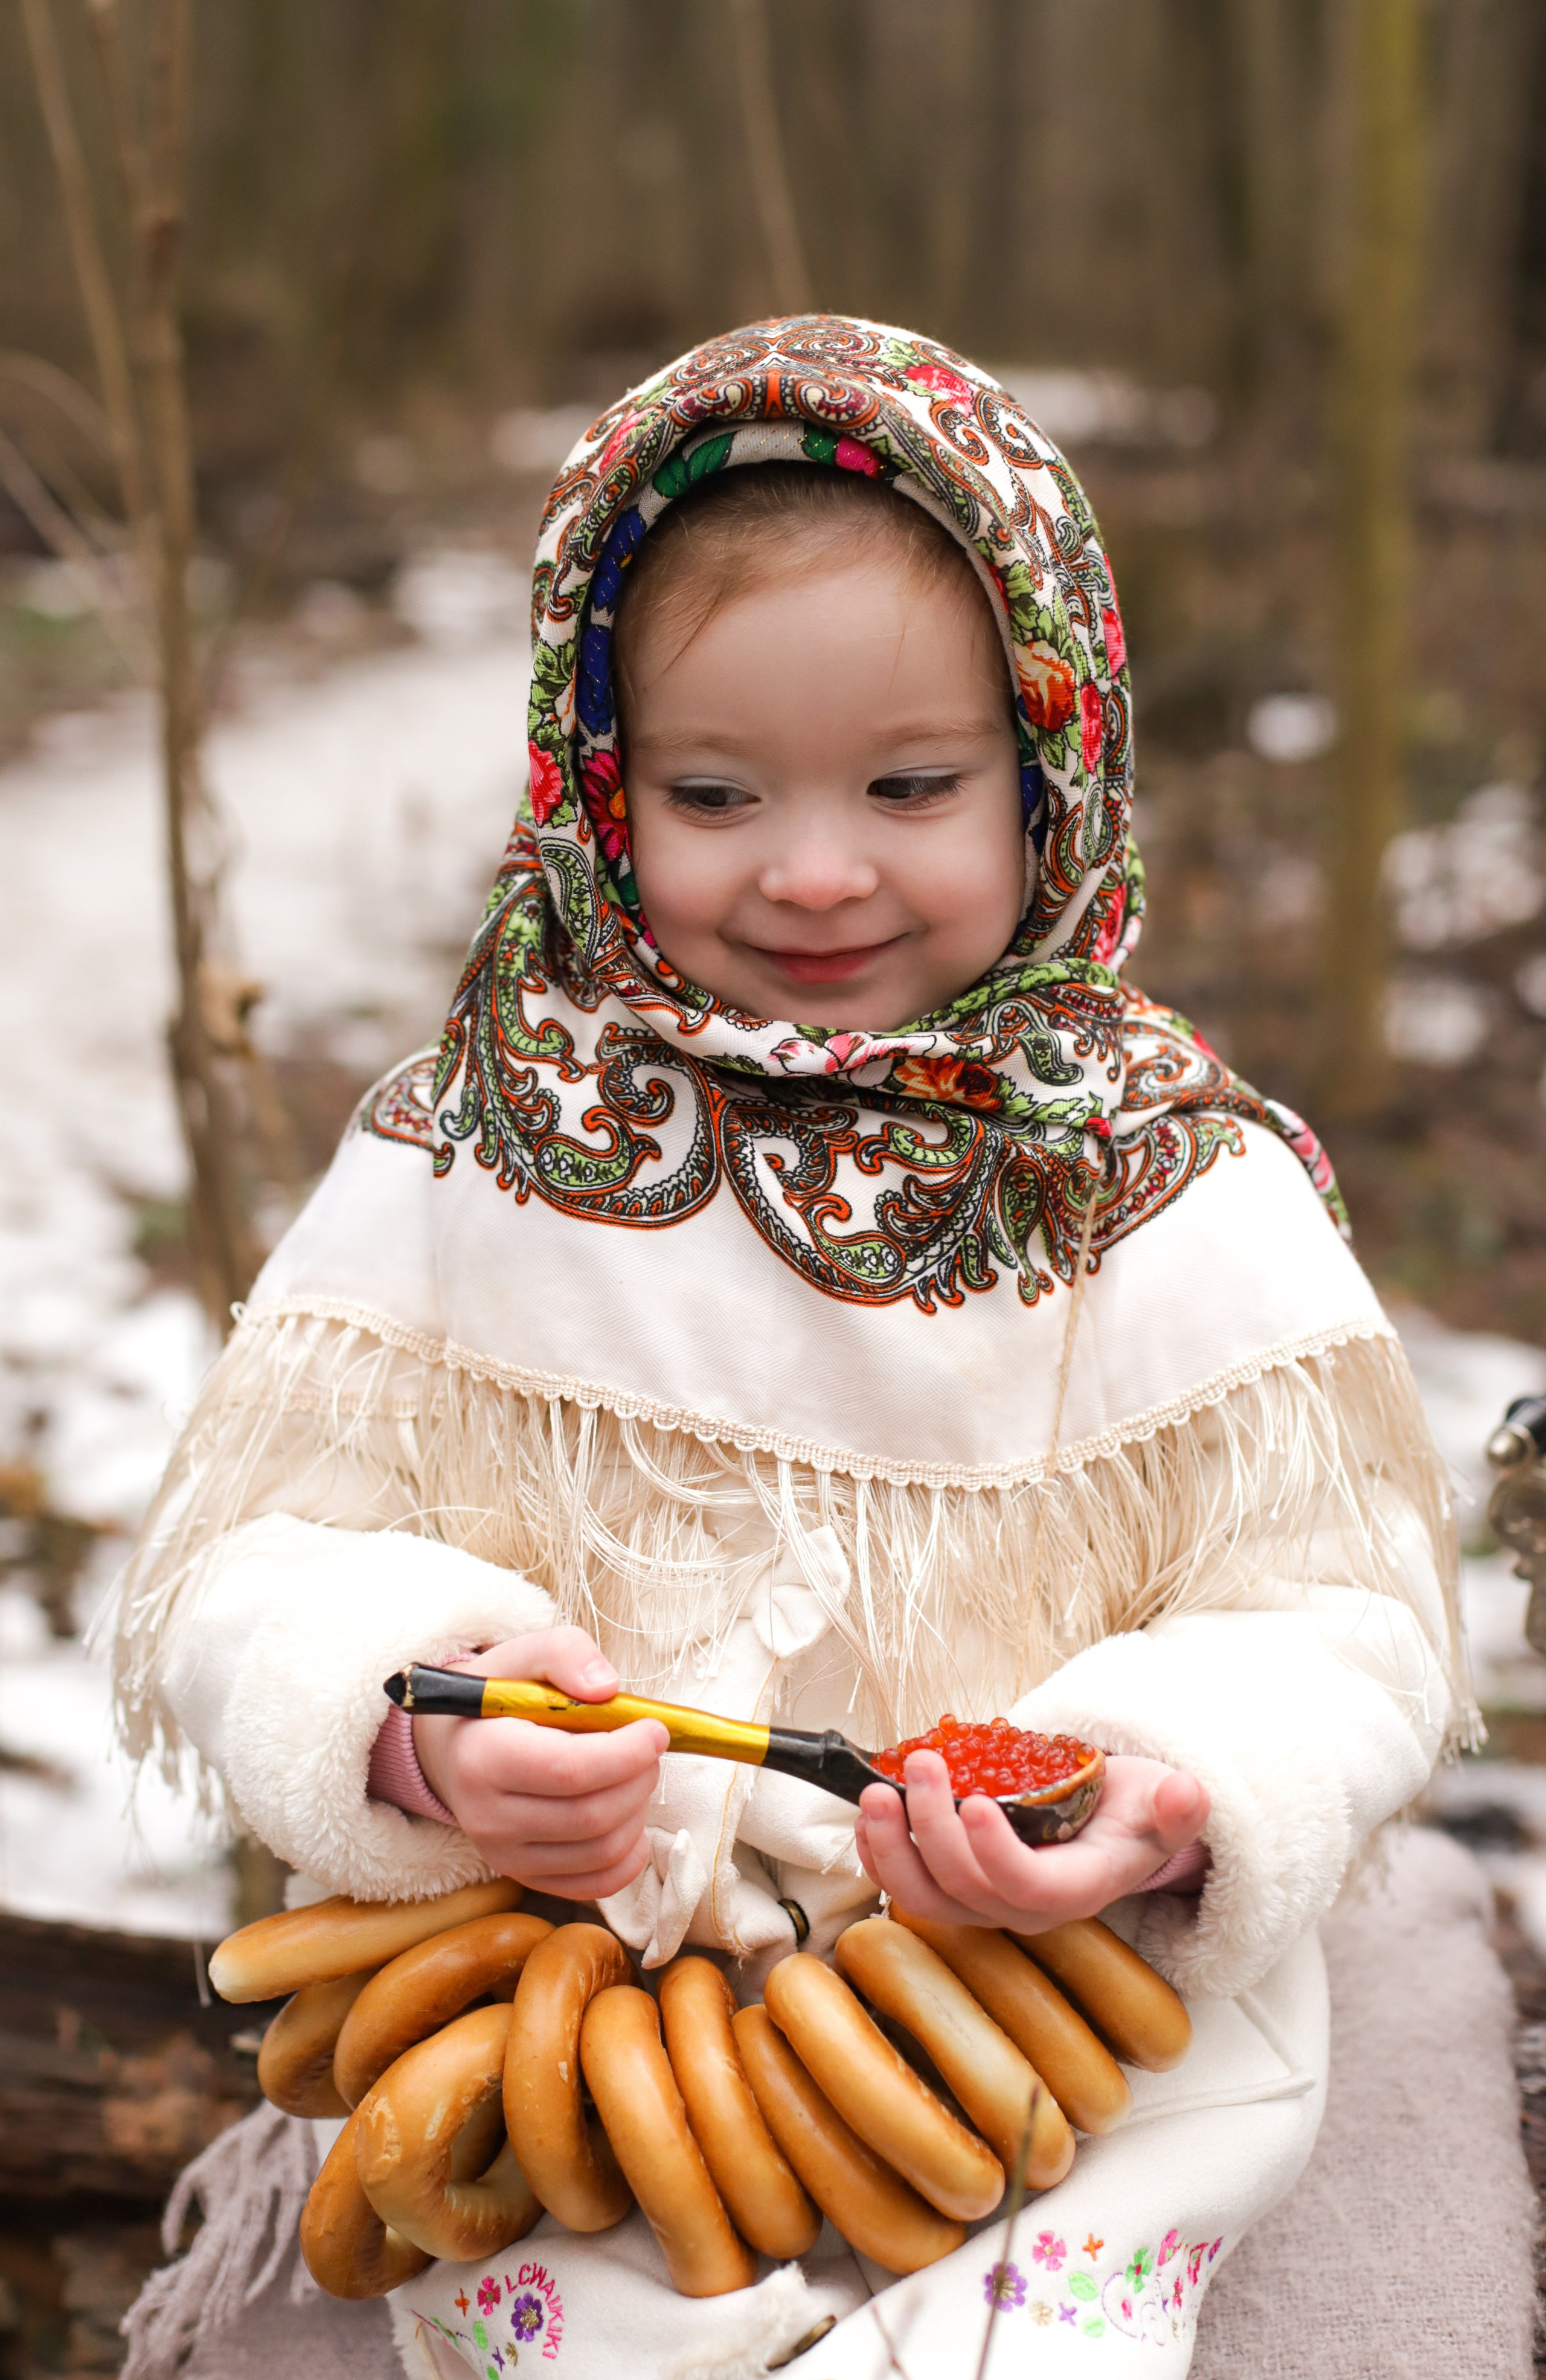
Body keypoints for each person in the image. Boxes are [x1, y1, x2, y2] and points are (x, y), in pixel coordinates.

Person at [114, 316, 1463, 2380]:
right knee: (513, 2212)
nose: (814, 871)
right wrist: (421, 1727)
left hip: (1043, 1998)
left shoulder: (1159, 1181)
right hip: (578, 1969)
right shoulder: (480, 1138)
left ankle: (1023, 2333)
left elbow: (1335, 1621)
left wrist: (1162, 1796)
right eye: (715, 792)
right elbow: (254, 1562)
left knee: (1183, 2143)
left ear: (1055, 764)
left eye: (912, 787)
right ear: (594, 785)